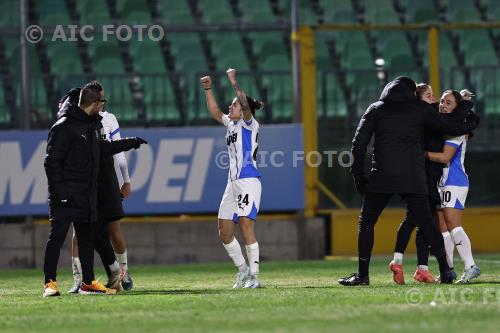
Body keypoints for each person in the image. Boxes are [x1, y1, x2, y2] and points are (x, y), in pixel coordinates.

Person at [338, 76, 479, 286]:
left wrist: (359, 177)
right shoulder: (420, 109)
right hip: (413, 175)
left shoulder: (376, 109)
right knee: (427, 222)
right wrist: (471, 116)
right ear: (412, 92)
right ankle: (445, 270)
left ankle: (363, 275)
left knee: (367, 221)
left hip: (382, 173)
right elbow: (450, 126)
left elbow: (358, 145)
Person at [42, 81, 147, 297]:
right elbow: (51, 163)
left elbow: (103, 148)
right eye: (102, 102)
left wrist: (130, 142)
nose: (103, 106)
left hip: (85, 194)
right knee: (57, 237)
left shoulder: (91, 126)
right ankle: (50, 283)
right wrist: (61, 195)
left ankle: (87, 283)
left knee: (86, 237)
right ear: (95, 103)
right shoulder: (63, 126)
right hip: (65, 196)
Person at [200, 68, 264, 288]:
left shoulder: (249, 124)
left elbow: (245, 104)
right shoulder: (231, 124)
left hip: (248, 181)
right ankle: (243, 271)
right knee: (224, 231)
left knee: (246, 226)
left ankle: (255, 276)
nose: (231, 107)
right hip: (232, 183)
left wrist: (233, 81)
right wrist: (207, 88)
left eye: (234, 104)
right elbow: (215, 111)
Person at [69, 106, 134, 293]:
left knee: (114, 230)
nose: (101, 103)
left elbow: (119, 149)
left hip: (106, 181)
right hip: (85, 182)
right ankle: (79, 280)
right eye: (98, 98)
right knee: (78, 233)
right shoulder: (77, 121)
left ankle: (124, 272)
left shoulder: (109, 119)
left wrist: (126, 180)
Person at [426, 89, 480, 283]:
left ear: (457, 108)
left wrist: (419, 153)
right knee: (443, 229)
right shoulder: (446, 126)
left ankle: (471, 266)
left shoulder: (456, 129)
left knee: (453, 225)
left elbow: (445, 157)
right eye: (442, 101)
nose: (443, 105)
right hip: (443, 182)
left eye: (449, 103)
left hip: (455, 181)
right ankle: (447, 271)